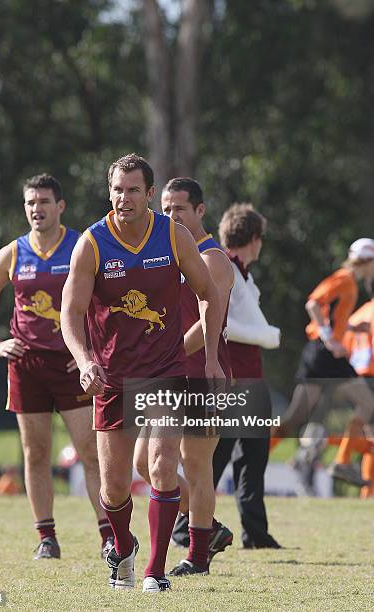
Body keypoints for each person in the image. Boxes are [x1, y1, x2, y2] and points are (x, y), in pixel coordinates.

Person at [60, 154, 225, 593]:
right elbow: (70, 313)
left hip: (166, 370)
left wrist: (209, 359)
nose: (124, 198)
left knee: (162, 465)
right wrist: (83, 360)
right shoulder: (91, 243)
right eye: (118, 189)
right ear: (108, 192)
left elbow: (209, 294)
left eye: (134, 190)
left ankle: (154, 570)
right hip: (112, 376)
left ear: (150, 194)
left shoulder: (173, 234)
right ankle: (123, 545)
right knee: (114, 488)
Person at [0, 174, 111, 560]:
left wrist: (86, 350)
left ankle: (109, 535)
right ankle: (46, 537)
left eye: (44, 201)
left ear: (60, 206)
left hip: (71, 366)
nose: (37, 209)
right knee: (35, 452)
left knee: (90, 450)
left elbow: (104, 303)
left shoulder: (81, 245)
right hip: (26, 364)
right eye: (31, 202)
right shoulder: (14, 252)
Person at [133, 177, 234, 577]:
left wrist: (170, 353)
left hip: (202, 374)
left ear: (200, 211)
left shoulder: (213, 259)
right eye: (167, 208)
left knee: (195, 465)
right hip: (166, 374)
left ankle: (197, 555)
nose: (170, 215)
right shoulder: (169, 253)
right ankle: (207, 529)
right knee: (145, 463)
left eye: (179, 209)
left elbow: (209, 320)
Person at [173, 203, 281, 549]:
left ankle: (256, 534)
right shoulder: (221, 265)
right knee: (211, 461)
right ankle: (188, 525)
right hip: (229, 378)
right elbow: (217, 321)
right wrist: (268, 335)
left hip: (252, 378)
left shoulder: (244, 273)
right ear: (254, 238)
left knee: (252, 458)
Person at [272, 238, 374, 487]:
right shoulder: (344, 278)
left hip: (327, 355)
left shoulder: (350, 282)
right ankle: (253, 450)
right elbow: (313, 304)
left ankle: (342, 460)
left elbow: (331, 315)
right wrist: (329, 339)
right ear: (368, 261)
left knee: (299, 417)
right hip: (323, 354)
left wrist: (350, 326)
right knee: (296, 418)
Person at [328, 277, 374, 496]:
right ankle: (327, 444)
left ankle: (368, 493)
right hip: (371, 377)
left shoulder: (358, 313)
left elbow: (344, 348)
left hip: (355, 377)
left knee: (370, 438)